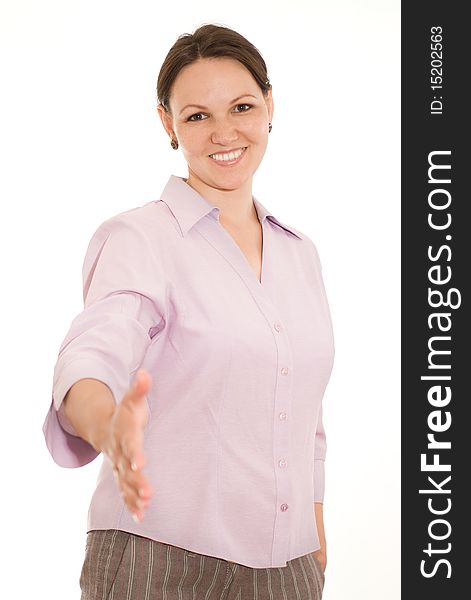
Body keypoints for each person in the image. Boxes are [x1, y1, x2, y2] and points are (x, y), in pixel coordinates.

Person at [42, 23, 335, 600]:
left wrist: (314, 522)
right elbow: (95, 348)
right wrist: (108, 426)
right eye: (197, 115)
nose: (224, 132)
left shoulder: (300, 254)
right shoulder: (140, 238)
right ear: (167, 124)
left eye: (242, 106)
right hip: (167, 560)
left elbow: (305, 411)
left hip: (293, 563)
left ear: (270, 106)